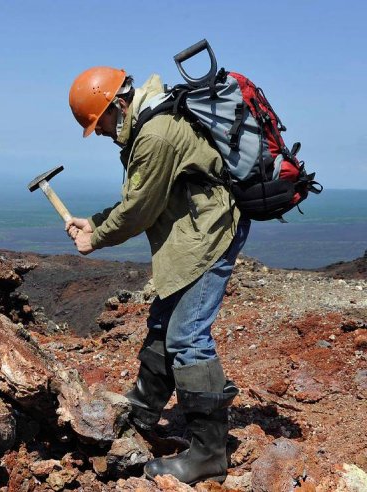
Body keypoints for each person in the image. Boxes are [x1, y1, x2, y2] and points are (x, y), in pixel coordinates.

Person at [64, 66, 250, 485]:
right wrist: (94, 222)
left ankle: (208, 454)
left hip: (209, 234)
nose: (104, 134)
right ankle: (145, 409)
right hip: (190, 232)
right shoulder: (149, 124)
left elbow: (139, 210)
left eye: (101, 123)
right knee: (164, 321)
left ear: (118, 105)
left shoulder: (155, 134)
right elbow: (141, 197)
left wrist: (96, 238)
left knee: (188, 336)